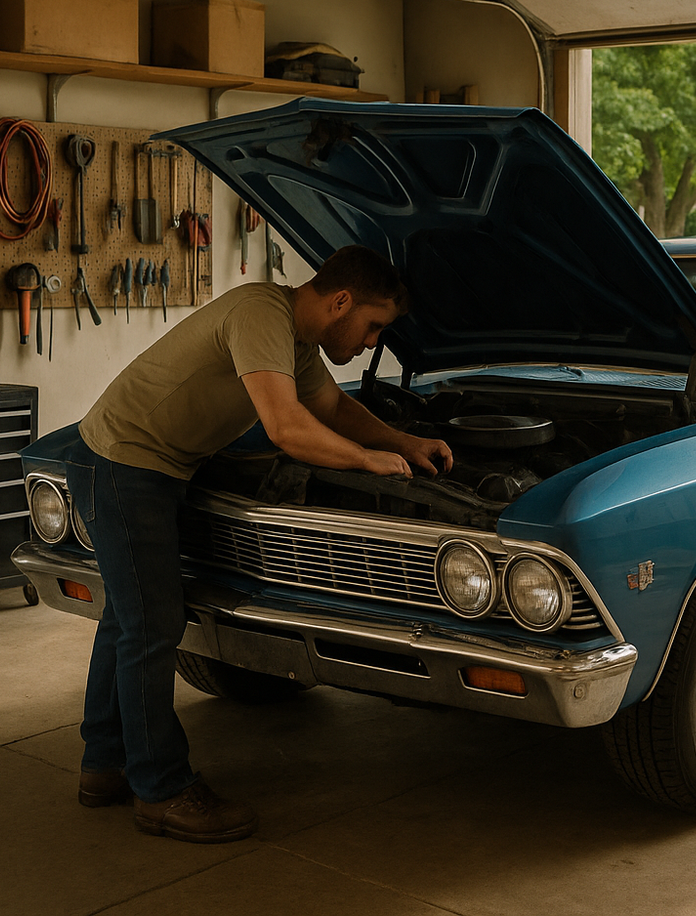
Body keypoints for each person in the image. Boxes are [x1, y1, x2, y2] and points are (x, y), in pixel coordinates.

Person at [65, 245, 451, 843]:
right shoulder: (259, 314)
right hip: (126, 463)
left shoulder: (294, 337)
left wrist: (405, 440)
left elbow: (331, 406)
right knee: (151, 628)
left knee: (126, 620)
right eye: (374, 325)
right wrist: (371, 463)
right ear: (340, 302)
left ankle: (104, 766)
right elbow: (286, 427)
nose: (374, 342)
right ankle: (161, 790)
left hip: (142, 463)